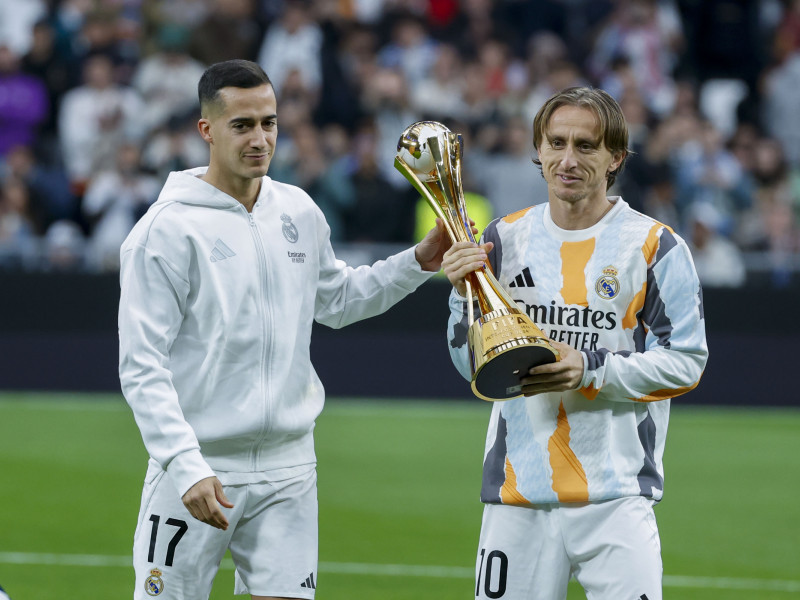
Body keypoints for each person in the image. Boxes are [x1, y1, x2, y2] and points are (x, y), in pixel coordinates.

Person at [118, 59, 450, 600]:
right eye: (242, 125)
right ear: (207, 130)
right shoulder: (164, 232)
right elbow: (141, 365)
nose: (259, 138)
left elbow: (339, 299)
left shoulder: (297, 209)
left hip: (290, 468)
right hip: (200, 469)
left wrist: (418, 260)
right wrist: (183, 463)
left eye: (268, 123)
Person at [442, 87, 708, 600]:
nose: (568, 159)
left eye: (586, 146)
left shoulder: (655, 246)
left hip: (615, 497)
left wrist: (590, 367)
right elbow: (468, 365)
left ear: (616, 158)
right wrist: (460, 299)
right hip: (517, 496)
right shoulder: (502, 238)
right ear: (537, 150)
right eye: (556, 142)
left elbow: (687, 362)